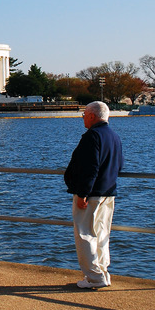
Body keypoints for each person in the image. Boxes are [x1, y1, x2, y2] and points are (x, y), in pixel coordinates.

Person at [64, 101, 123, 289]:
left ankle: (94, 277)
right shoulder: (114, 136)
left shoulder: (92, 137)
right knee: (102, 234)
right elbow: (119, 165)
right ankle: (103, 272)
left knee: (85, 234)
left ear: (92, 116)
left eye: (84, 115)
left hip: (91, 195)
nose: (83, 119)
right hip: (108, 192)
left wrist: (82, 193)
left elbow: (90, 168)